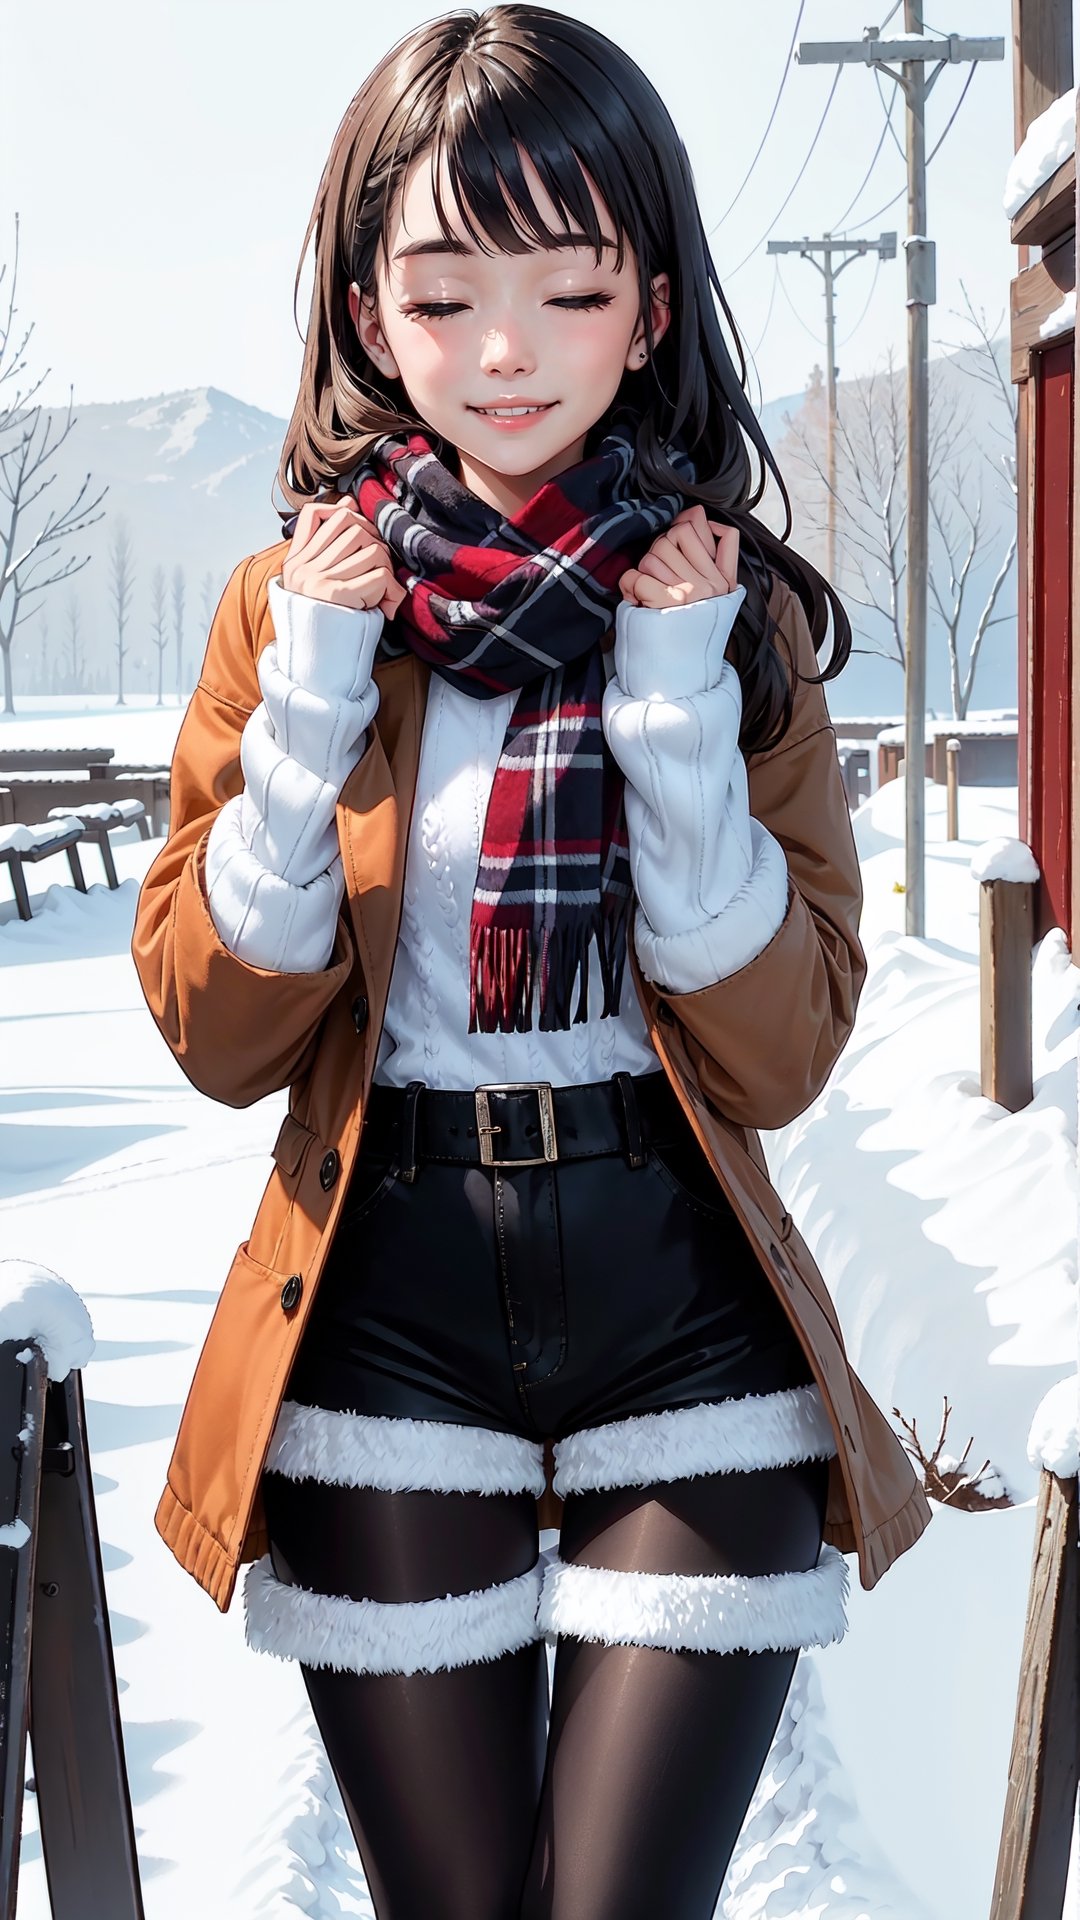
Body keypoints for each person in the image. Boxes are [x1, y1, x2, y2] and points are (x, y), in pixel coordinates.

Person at [132, 8, 931, 1915]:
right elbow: (216, 1027)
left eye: (569, 290)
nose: (506, 353)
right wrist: (311, 710)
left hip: (677, 1280)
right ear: (365, 304)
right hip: (390, 1288)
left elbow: (783, 1049)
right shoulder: (291, 604)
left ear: (650, 307)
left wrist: (671, 724)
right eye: (446, 289)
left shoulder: (718, 613)